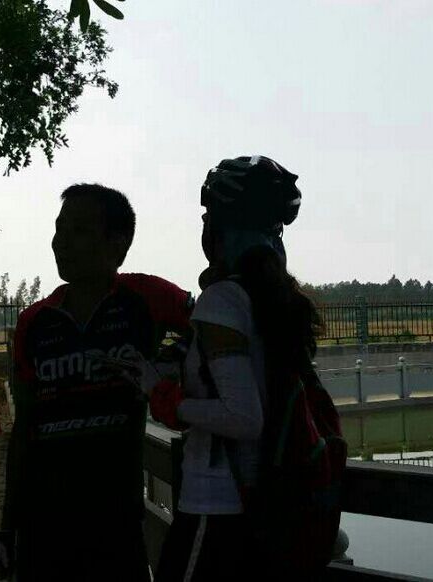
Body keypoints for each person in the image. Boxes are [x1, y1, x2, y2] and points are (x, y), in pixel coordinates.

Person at [0, 184, 193, 581]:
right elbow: (25, 430)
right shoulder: (35, 322)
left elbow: (210, 324)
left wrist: (169, 363)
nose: (60, 242)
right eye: (58, 229)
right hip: (42, 522)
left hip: (116, 522)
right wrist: (6, 529)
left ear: (118, 245)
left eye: (79, 230)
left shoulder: (145, 299)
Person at [149, 156, 323, 581]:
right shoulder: (270, 298)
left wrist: (170, 400)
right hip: (260, 506)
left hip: (215, 506)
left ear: (222, 227)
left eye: (208, 216)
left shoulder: (222, 300)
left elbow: (243, 417)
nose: (203, 225)